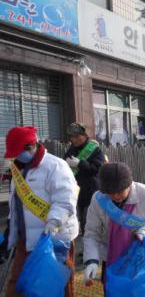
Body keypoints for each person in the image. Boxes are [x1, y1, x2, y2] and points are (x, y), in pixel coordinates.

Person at [4, 126, 79, 296]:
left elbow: (65, 200)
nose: (17, 156)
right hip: (26, 238)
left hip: (54, 239)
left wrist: (54, 221)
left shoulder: (56, 166)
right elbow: (15, 203)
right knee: (18, 284)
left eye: (18, 152)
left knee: (57, 284)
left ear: (31, 146)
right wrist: (11, 228)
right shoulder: (18, 169)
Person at [83, 162, 145, 285]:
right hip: (111, 257)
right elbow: (91, 233)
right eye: (110, 192)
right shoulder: (98, 199)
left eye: (120, 191)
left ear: (129, 184)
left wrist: (144, 232)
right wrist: (91, 260)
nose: (115, 195)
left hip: (140, 256)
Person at [64, 123, 105, 236]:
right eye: (72, 137)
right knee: (81, 221)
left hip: (90, 190)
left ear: (85, 135)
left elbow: (97, 169)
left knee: (90, 221)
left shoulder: (94, 150)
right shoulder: (72, 149)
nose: (74, 139)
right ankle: (87, 246)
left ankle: (94, 247)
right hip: (76, 191)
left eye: (77, 136)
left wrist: (80, 163)